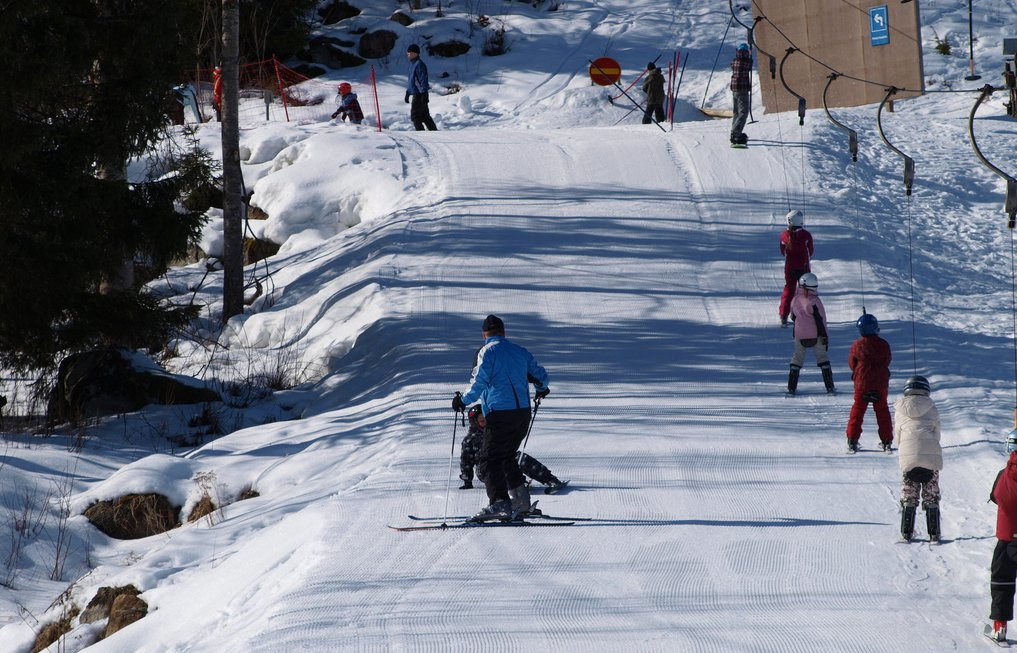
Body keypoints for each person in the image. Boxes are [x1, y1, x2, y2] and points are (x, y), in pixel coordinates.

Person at [453, 315, 550, 521]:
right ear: (504, 332)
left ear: (484, 334)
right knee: (506, 457)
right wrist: (541, 389)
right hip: (522, 415)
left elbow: (478, 382)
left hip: (500, 414)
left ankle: (499, 504)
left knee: (488, 461)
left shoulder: (486, 352)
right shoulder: (519, 351)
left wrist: (463, 401)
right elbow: (541, 376)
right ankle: (521, 503)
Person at [460, 404, 565, 493]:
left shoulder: (496, 431)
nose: (485, 424)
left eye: (486, 420)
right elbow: (466, 461)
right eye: (482, 421)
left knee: (518, 458)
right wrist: (467, 481)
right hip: (484, 468)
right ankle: (514, 486)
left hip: (503, 458)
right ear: (475, 423)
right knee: (495, 466)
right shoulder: (470, 440)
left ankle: (549, 479)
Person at [894, 375, 941, 542]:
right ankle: (934, 533)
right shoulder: (932, 407)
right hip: (930, 456)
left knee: (909, 493)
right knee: (931, 493)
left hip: (909, 457)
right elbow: (937, 432)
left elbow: (897, 435)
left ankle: (906, 532)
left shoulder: (899, 409)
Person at [847, 313, 892, 452]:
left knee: (858, 410)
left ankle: (852, 440)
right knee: (882, 411)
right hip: (880, 385)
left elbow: (852, 363)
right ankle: (886, 440)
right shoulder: (884, 344)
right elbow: (887, 360)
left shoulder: (857, 345)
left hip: (862, 385)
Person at [989, 430, 1017, 643]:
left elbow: (996, 496)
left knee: (1002, 582)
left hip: (1008, 538)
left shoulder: (1005, 474)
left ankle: (1000, 628)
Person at [787, 273, 834, 395]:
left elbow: (793, 316)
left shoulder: (795, 299)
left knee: (797, 358)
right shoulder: (815, 301)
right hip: (817, 335)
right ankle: (829, 387)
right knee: (822, 357)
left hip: (800, 335)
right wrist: (825, 337)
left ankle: (791, 387)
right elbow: (821, 320)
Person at [779, 210, 813, 327]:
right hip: (804, 268)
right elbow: (811, 251)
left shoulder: (784, 235)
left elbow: (783, 252)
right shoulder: (806, 235)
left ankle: (784, 315)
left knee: (789, 290)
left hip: (790, 268)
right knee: (805, 292)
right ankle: (803, 315)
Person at [405, 44, 438, 131]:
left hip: (420, 94)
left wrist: (424, 93)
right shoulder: (412, 64)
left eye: (410, 53)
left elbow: (423, 79)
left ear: (415, 53)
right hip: (417, 93)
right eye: (407, 53)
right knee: (424, 115)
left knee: (415, 117)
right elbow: (412, 80)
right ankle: (435, 133)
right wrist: (408, 92)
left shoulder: (419, 64)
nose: (408, 54)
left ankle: (422, 134)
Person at [729, 43, 752, 145]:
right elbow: (749, 65)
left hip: (734, 90)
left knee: (737, 112)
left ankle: (734, 132)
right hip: (742, 89)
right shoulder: (745, 62)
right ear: (746, 52)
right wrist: (750, 56)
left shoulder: (734, 61)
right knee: (743, 112)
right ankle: (736, 135)